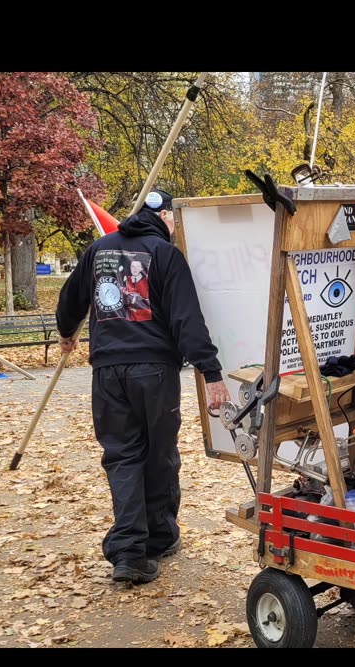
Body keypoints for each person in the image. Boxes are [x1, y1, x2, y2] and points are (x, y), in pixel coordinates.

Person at [56, 189, 231, 584]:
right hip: (154, 371)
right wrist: (211, 371)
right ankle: (157, 537)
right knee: (159, 454)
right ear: (166, 217)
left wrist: (67, 331)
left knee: (122, 457)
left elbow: (71, 298)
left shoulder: (99, 249)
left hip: (108, 373)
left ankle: (130, 551)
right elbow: (187, 319)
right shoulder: (166, 255)